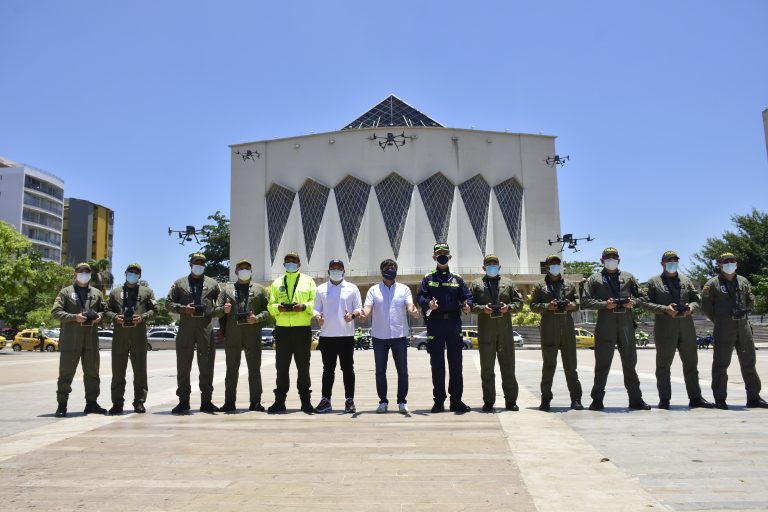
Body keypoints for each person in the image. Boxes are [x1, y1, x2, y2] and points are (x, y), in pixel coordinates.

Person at [581, 247, 650, 411]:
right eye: (608, 257)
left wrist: (632, 302)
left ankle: (636, 399)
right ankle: (597, 400)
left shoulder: (628, 277)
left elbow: (644, 297)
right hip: (606, 324)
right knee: (602, 364)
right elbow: (584, 301)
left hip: (625, 324)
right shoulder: (594, 279)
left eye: (614, 257)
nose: (611, 260)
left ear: (619, 260)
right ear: (602, 260)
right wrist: (605, 304)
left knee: (630, 364)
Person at [643, 251, 714, 409]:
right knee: (663, 365)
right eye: (669, 260)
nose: (672, 262)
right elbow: (645, 303)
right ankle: (664, 399)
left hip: (686, 326)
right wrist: (664, 309)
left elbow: (697, 300)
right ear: (662, 263)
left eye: (675, 260)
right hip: (665, 327)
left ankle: (696, 397)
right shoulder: (654, 282)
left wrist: (691, 307)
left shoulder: (685, 280)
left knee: (691, 364)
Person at [702, 252, 768, 409]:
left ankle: (753, 397)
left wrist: (746, 307)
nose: (730, 264)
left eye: (732, 261)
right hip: (724, 328)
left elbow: (750, 300)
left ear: (736, 263)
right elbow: (706, 307)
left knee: (749, 362)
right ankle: (720, 399)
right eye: (726, 262)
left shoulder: (743, 281)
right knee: (721, 364)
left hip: (743, 327)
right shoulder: (712, 284)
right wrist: (719, 320)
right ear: (720, 264)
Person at [417, 243, 473, 413]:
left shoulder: (457, 278)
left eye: (445, 253)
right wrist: (428, 304)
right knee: (437, 364)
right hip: (435, 324)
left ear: (450, 256)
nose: (442, 255)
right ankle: (439, 401)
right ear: (434, 257)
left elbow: (467, 297)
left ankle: (456, 401)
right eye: (439, 253)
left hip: (454, 323)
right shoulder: (428, 278)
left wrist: (467, 305)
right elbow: (420, 297)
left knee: (456, 364)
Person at [361, 259, 420, 414]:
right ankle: (383, 402)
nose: (390, 270)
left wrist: (413, 311)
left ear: (396, 270)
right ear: (381, 271)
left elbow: (410, 305)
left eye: (392, 267)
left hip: (399, 335)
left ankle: (402, 402)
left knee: (402, 371)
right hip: (379, 336)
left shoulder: (404, 289)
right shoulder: (374, 290)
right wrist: (363, 314)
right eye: (387, 268)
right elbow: (367, 307)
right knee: (380, 371)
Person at [166, 253, 221, 414]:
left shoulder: (213, 284)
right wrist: (184, 309)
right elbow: (168, 303)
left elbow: (221, 305)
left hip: (205, 327)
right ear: (190, 264)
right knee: (183, 366)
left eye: (202, 263)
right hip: (186, 328)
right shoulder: (180, 283)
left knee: (207, 365)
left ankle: (206, 401)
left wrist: (217, 313)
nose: (199, 265)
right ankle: (183, 401)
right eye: (196, 262)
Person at [51, 262, 107, 417]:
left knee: (92, 373)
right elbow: (56, 312)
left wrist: (100, 317)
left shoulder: (96, 293)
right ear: (75, 274)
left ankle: (92, 404)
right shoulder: (66, 292)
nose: (84, 274)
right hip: (71, 339)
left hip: (90, 339)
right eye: (81, 271)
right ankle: (62, 405)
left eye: (87, 272)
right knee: (66, 373)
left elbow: (105, 311)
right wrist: (74, 317)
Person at [213, 259, 270, 413]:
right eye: (241, 268)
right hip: (233, 332)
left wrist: (256, 318)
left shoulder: (260, 289)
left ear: (251, 271)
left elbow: (268, 311)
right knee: (231, 369)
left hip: (252, 332)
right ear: (236, 271)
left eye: (247, 268)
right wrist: (223, 310)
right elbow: (216, 310)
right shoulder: (227, 289)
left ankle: (256, 402)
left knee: (254, 369)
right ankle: (229, 402)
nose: (244, 270)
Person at [469, 253, 524, 412]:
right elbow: (468, 305)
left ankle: (511, 401)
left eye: (494, 263)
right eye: (488, 263)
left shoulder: (508, 283)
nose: (491, 266)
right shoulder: (476, 284)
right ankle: (488, 401)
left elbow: (519, 303)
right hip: (486, 329)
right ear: (483, 267)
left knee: (508, 366)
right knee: (487, 368)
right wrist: (482, 309)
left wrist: (509, 308)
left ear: (499, 266)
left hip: (505, 330)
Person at [529, 254, 583, 411]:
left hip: (566, 326)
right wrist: (547, 306)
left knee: (571, 366)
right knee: (548, 365)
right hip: (549, 327)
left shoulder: (569, 284)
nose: (555, 266)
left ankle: (576, 399)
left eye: (557, 263)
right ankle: (545, 399)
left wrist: (570, 305)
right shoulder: (540, 286)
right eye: (552, 263)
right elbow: (533, 305)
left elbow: (578, 303)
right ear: (546, 266)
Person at [266, 251, 317, 414]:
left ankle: (306, 402)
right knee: (281, 368)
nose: (290, 263)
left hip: (302, 329)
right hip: (282, 330)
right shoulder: (277, 283)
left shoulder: (308, 281)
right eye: (287, 261)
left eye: (293, 261)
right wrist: (277, 308)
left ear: (299, 264)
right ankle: (279, 402)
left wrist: (303, 307)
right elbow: (270, 305)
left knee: (303, 368)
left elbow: (315, 302)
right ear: (284, 264)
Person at [103, 263, 157, 415]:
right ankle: (117, 403)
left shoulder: (147, 292)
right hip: (120, 334)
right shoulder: (115, 292)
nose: (133, 274)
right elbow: (106, 310)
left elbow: (155, 309)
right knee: (118, 371)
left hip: (138, 334)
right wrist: (115, 317)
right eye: (130, 272)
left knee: (140, 370)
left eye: (136, 272)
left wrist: (143, 317)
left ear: (140, 275)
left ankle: (139, 401)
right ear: (125, 273)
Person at [312, 259, 363, 414]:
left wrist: (352, 315)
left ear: (344, 271)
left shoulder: (352, 288)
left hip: (346, 335)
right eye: (333, 268)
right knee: (328, 369)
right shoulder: (321, 289)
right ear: (328, 271)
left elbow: (359, 308)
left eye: (339, 268)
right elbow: (315, 309)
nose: (336, 270)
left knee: (348, 368)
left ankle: (349, 400)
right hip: (327, 335)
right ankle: (326, 400)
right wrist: (317, 317)